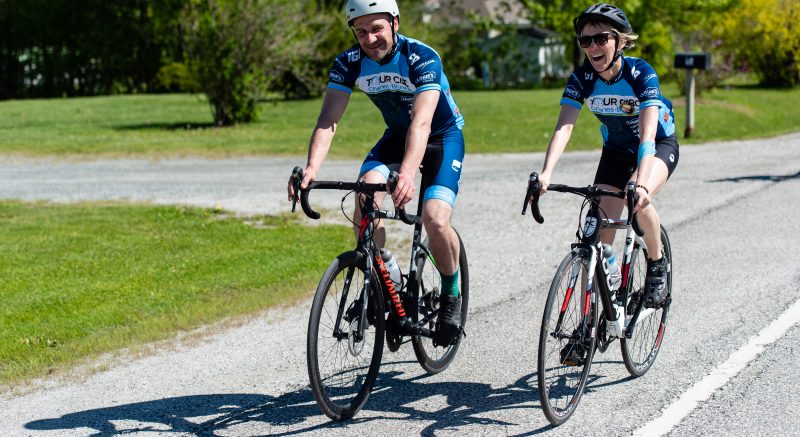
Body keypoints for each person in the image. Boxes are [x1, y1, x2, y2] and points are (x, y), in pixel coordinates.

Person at [287, 0, 465, 346]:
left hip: (442, 138)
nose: (369, 38)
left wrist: (409, 173)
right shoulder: (348, 63)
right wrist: (311, 169)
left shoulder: (421, 57)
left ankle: (451, 291)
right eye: (361, 31)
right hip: (397, 138)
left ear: (395, 23)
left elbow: (423, 121)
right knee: (365, 196)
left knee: (436, 220)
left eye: (377, 28)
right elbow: (329, 120)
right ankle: (384, 275)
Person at [535, 3, 679, 309]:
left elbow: (649, 134)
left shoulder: (640, 73)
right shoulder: (583, 78)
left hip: (657, 145)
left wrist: (640, 182)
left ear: (621, 41)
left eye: (601, 38)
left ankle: (656, 265)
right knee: (597, 240)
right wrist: (546, 173)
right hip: (615, 151)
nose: (593, 47)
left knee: (638, 201)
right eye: (585, 41)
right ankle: (596, 317)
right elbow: (564, 127)